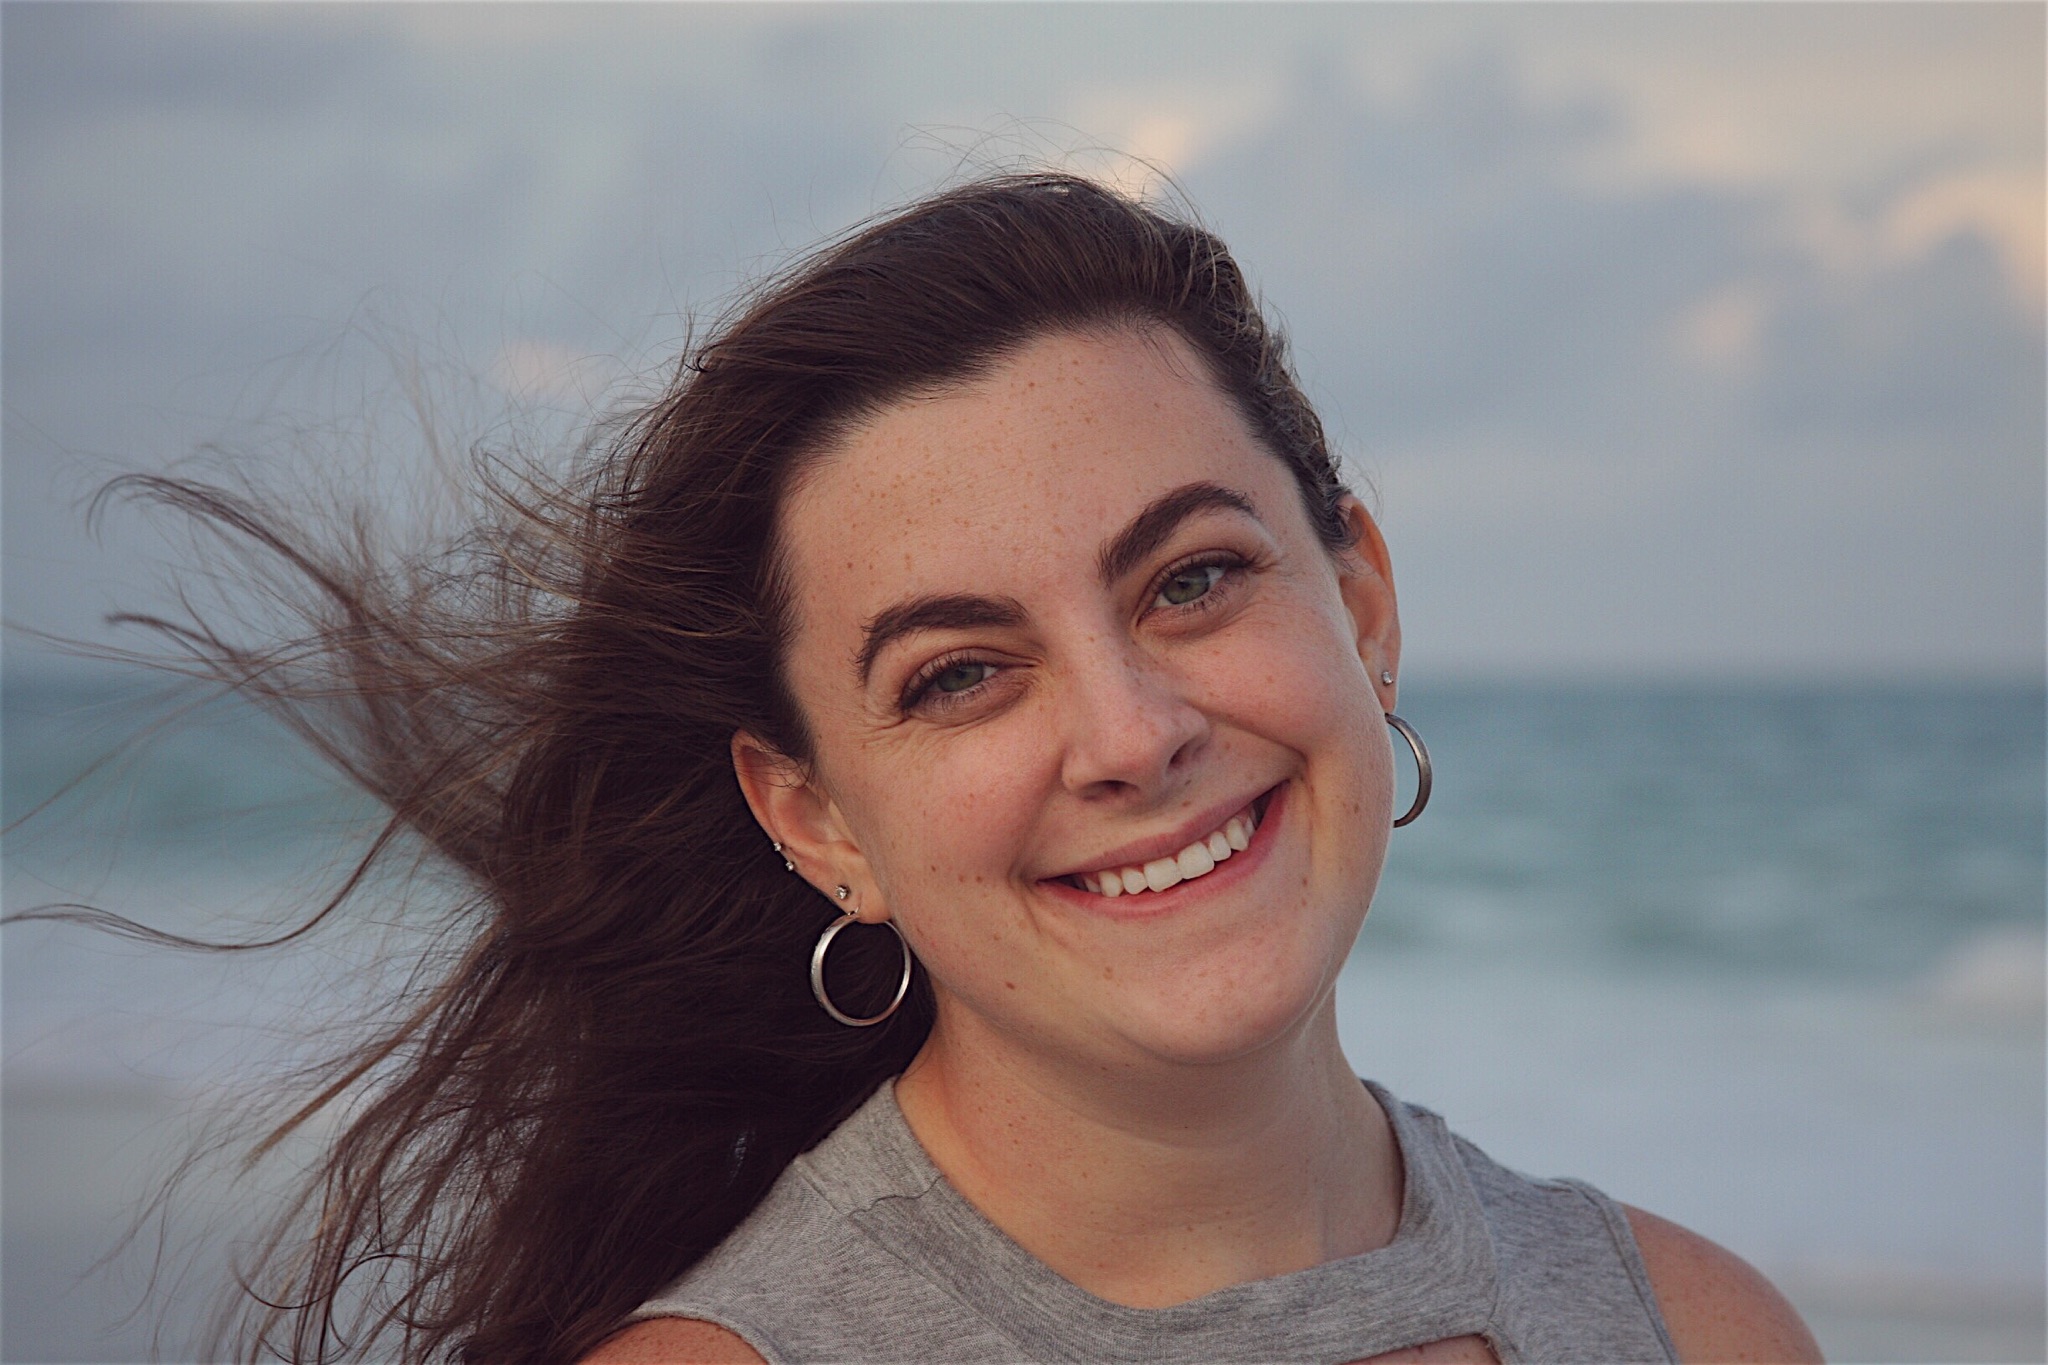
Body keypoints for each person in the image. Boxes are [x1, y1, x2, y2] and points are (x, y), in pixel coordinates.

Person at [88, 174, 1821, 1363]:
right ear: (818, 816)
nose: (1132, 733)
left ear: (1360, 603)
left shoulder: (1693, 1330)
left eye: (1192, 580)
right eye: (964, 674)